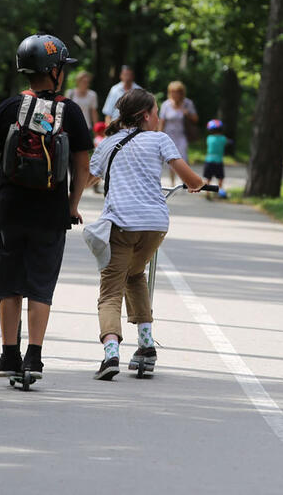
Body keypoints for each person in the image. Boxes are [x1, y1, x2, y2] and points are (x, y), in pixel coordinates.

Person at [0, 34, 93, 383]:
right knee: (40, 285)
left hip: (10, 210)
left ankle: (8, 355)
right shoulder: (70, 112)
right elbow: (82, 167)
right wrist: (72, 206)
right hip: (50, 212)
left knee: (10, 284)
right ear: (54, 71)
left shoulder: (9, 108)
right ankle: (34, 358)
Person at [87, 89, 205, 380]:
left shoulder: (107, 143)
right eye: (155, 112)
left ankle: (111, 353)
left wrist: (69, 203)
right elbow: (191, 179)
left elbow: (88, 177)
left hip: (121, 224)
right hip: (155, 225)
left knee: (110, 290)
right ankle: (146, 345)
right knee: (135, 274)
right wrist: (197, 184)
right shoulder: (160, 139)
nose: (158, 118)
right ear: (146, 116)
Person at [159, 80, 198, 184]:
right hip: (169, 136)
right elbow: (162, 121)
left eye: (177, 92)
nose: (174, 94)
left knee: (182, 158)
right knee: (170, 159)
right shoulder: (166, 105)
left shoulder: (187, 103)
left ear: (182, 93)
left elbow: (195, 119)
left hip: (182, 135)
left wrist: (187, 114)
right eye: (172, 92)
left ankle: (185, 182)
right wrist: (158, 135)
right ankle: (172, 182)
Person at [202, 119, 228, 198]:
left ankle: (207, 193)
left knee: (208, 178)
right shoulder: (223, 138)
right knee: (220, 178)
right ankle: (219, 191)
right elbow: (226, 143)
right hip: (218, 161)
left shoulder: (209, 138)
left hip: (209, 160)